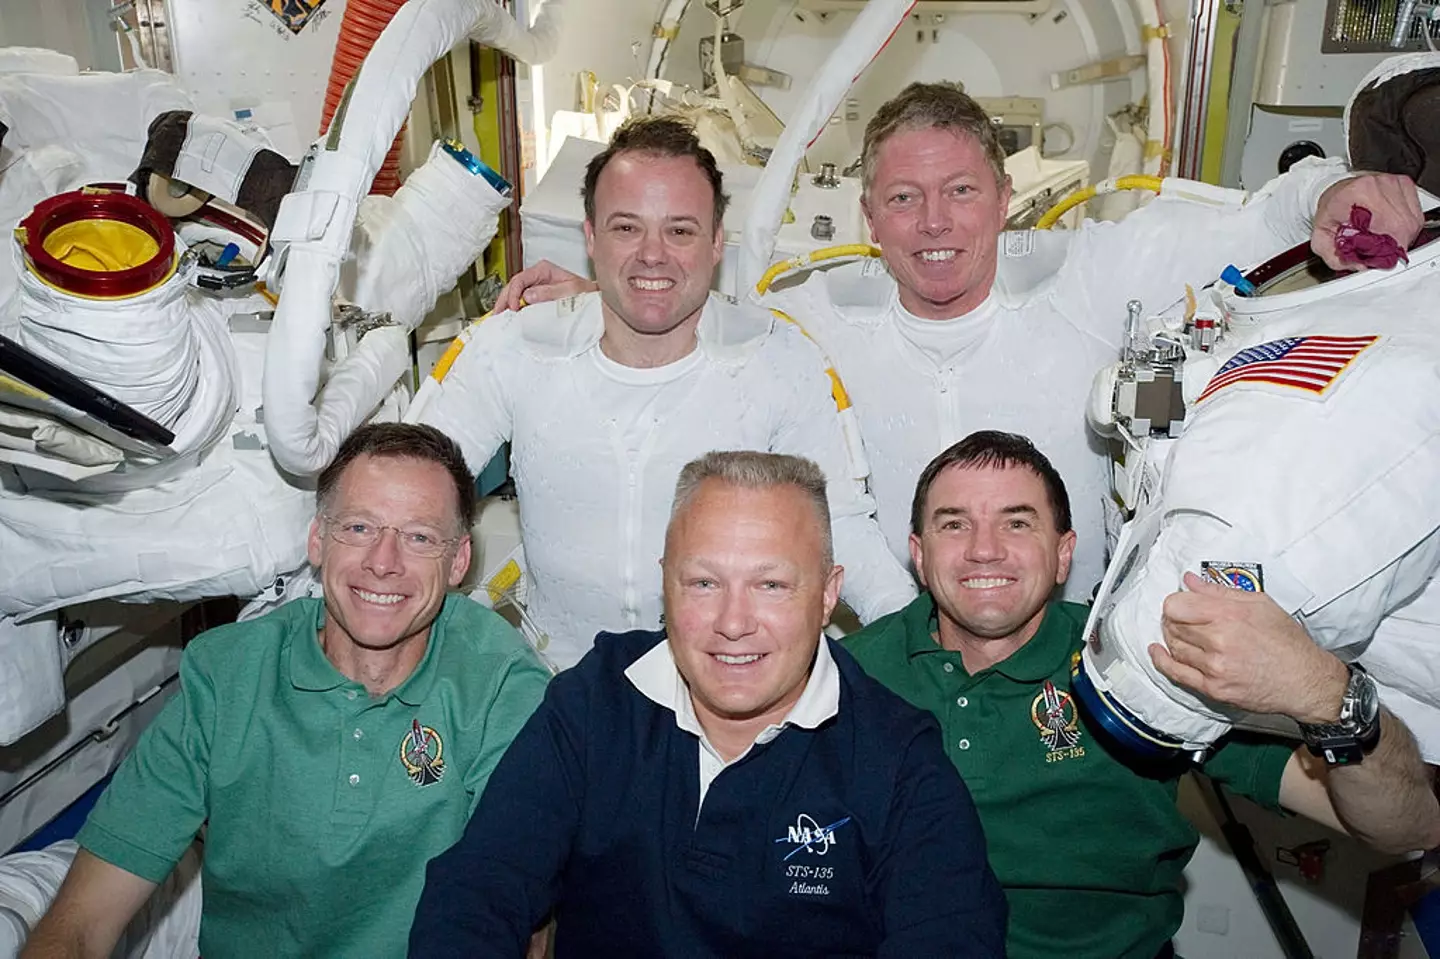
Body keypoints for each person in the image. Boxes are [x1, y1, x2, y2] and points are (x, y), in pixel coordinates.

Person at [494, 82, 1423, 603]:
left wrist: (1325, 197)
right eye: (903, 199)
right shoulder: (819, 322)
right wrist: (611, 294)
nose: (933, 223)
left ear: (1005, 197)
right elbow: (702, 312)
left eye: (961, 192)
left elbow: (1246, 226)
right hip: (898, 661)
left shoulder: (1085, 281)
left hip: (1063, 659)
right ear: (868, 215)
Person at [841, 430, 1440, 959]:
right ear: (919, 555)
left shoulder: (1144, 659)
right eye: (954, 524)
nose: (984, 548)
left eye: (1017, 522)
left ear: (1063, 554)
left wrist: (1328, 693)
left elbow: (1409, 830)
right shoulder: (846, 677)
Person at [408, 451, 1006, 958]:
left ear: (827, 596)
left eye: (770, 585)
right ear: (664, 584)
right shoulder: (596, 702)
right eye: (703, 583)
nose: (733, 623)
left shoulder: (899, 761)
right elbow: (478, 891)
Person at [21, 423, 551, 959]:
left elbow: (518, 914)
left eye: (419, 537)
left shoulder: (499, 683)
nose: (383, 562)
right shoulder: (225, 677)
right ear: (317, 539)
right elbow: (82, 921)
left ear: (458, 560)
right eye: (360, 527)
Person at [413, 114, 914, 670]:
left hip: (721, 692)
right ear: (590, 237)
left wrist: (918, 644)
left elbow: (839, 524)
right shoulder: (515, 348)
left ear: (718, 242)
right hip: (555, 691)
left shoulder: (778, 361)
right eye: (627, 228)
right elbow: (408, 487)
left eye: (680, 230)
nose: (653, 254)